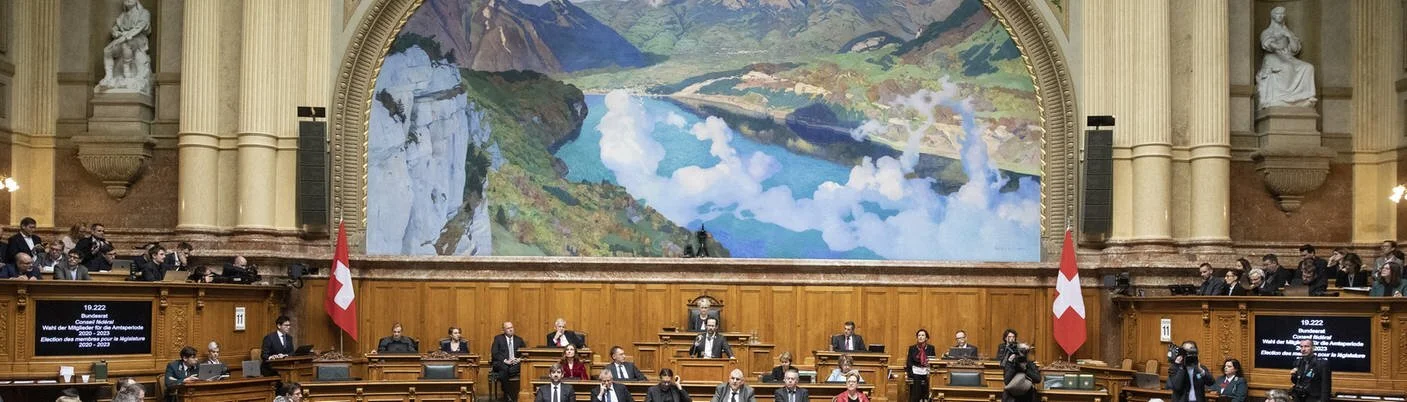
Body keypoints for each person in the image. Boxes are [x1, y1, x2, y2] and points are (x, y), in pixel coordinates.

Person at [1256, 6, 1317, 109]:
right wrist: (1278, 46)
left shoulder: (1287, 31)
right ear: (1273, 16)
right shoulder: (1268, 32)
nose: (1281, 16)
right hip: (1273, 58)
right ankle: (1284, 98)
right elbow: (1267, 44)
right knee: (1287, 67)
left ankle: (1306, 97)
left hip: (1288, 57)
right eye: (1278, 14)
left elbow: (1294, 49)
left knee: (1308, 67)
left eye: (1283, 14)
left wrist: (1288, 36)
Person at [492, 321, 526, 402]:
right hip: (502, 362)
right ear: (504, 330)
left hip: (515, 364)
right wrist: (505, 361)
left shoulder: (519, 340)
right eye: (508, 328)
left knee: (506, 371)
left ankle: (506, 394)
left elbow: (525, 352)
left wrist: (518, 359)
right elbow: (495, 353)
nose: (511, 330)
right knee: (504, 368)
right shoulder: (498, 338)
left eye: (511, 327)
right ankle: (509, 394)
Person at [906, 329, 934, 402]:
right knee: (917, 376)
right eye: (919, 335)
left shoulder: (931, 348)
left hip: (926, 370)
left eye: (922, 335)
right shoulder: (912, 348)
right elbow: (909, 362)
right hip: (915, 370)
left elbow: (933, 361)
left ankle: (927, 398)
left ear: (926, 338)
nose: (920, 337)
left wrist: (927, 366)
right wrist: (915, 368)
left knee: (930, 377)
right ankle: (916, 399)